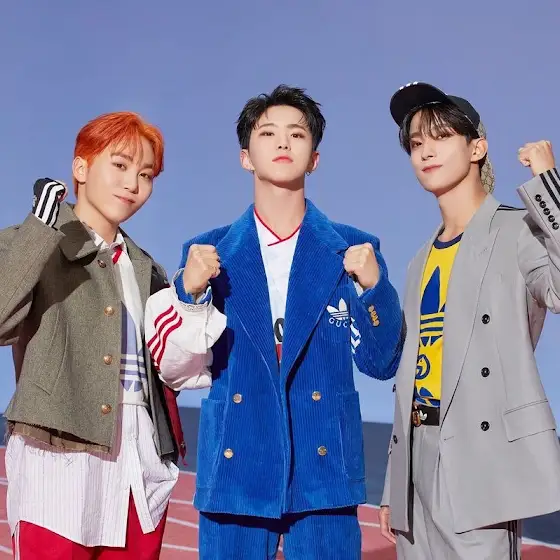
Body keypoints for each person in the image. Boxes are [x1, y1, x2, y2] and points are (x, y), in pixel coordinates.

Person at [144, 84, 404, 559]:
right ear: (246, 157)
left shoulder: (354, 248)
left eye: (297, 134)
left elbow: (381, 362)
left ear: (314, 158)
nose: (283, 142)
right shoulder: (207, 251)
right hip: (236, 465)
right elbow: (178, 369)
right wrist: (188, 294)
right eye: (268, 133)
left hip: (325, 468)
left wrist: (374, 289)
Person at [379, 81, 560, 559]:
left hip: (481, 456)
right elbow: (413, 372)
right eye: (415, 143)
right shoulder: (419, 260)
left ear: (477, 147)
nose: (425, 151)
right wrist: (395, 482)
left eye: (440, 136)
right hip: (418, 459)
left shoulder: (517, 229)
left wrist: (548, 185)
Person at [2, 111, 186, 559]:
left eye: (145, 174)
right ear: (81, 168)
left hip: (137, 463)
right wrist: (41, 226)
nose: (133, 184)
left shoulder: (148, 268)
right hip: (58, 458)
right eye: (120, 165)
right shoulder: (29, 240)